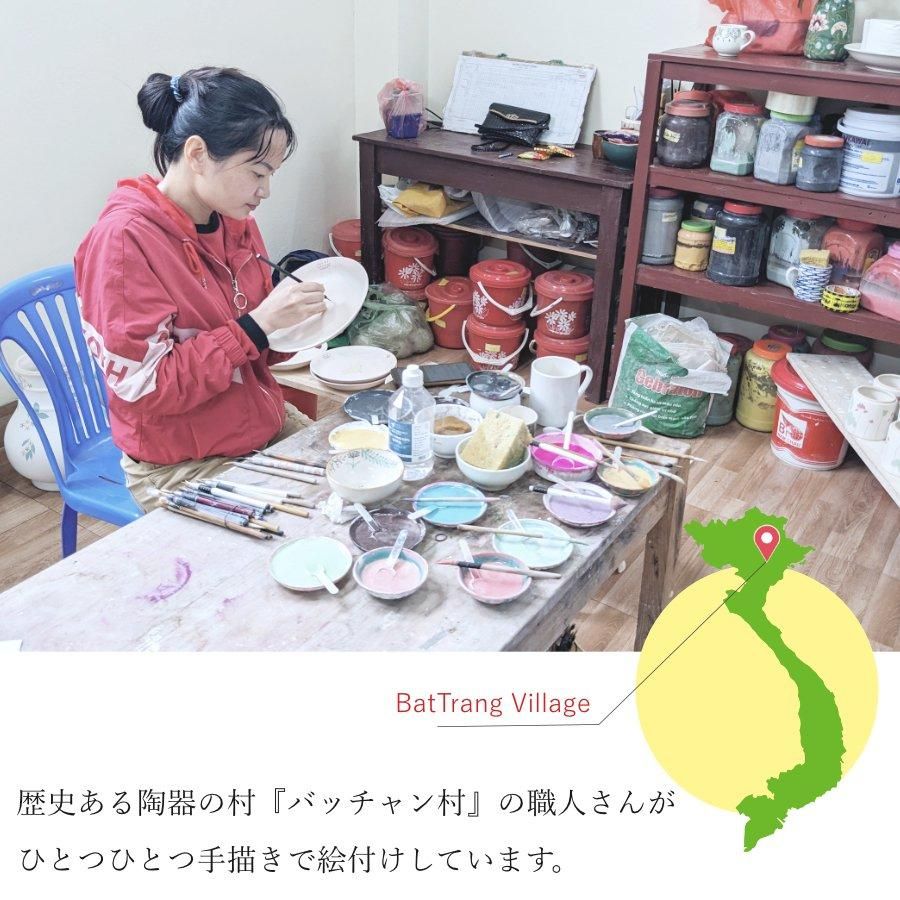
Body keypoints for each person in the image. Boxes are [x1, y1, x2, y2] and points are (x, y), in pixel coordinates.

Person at [75, 67, 324, 511]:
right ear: (197, 153)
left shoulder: (234, 221)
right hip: (179, 464)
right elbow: (150, 387)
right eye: (258, 172)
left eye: (272, 174)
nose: (266, 190)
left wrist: (297, 324)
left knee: (358, 483)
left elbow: (255, 344)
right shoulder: (123, 243)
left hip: (256, 425)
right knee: (311, 525)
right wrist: (258, 326)